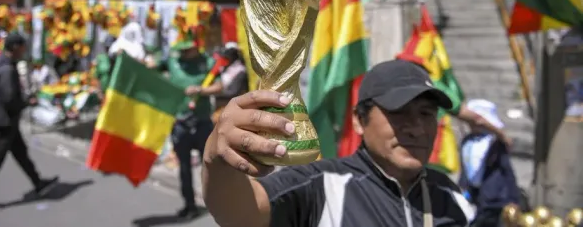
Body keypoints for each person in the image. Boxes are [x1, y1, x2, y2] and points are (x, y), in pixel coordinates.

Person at [202, 59, 473, 227]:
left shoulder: (450, 195)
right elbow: (240, 214)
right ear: (358, 120)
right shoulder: (322, 183)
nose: (416, 128)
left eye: (426, 114)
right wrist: (217, 160)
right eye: (398, 112)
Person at [0, 32, 58, 214]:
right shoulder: (7, 69)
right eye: (23, 46)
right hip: (5, 121)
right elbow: (9, 98)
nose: (25, 50)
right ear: (16, 47)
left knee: (21, 153)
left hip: (7, 119)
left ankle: (38, 182)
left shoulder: (4, 63)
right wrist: (28, 101)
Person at [154, 40, 223, 220]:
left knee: (209, 166)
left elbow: (220, 86)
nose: (186, 52)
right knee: (183, 168)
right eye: (183, 50)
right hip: (180, 123)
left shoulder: (207, 62)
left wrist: (201, 89)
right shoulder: (172, 62)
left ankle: (216, 204)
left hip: (202, 122)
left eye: (189, 49)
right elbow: (152, 69)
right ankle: (189, 205)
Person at [459, 99, 520, 226]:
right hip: (475, 197)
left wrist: (514, 199)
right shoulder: (467, 141)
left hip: (495, 199)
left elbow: (507, 170)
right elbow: (466, 167)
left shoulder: (494, 143)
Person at [208, 42, 249, 124]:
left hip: (232, 109)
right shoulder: (225, 69)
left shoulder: (240, 71)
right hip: (219, 107)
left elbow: (233, 93)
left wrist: (213, 95)